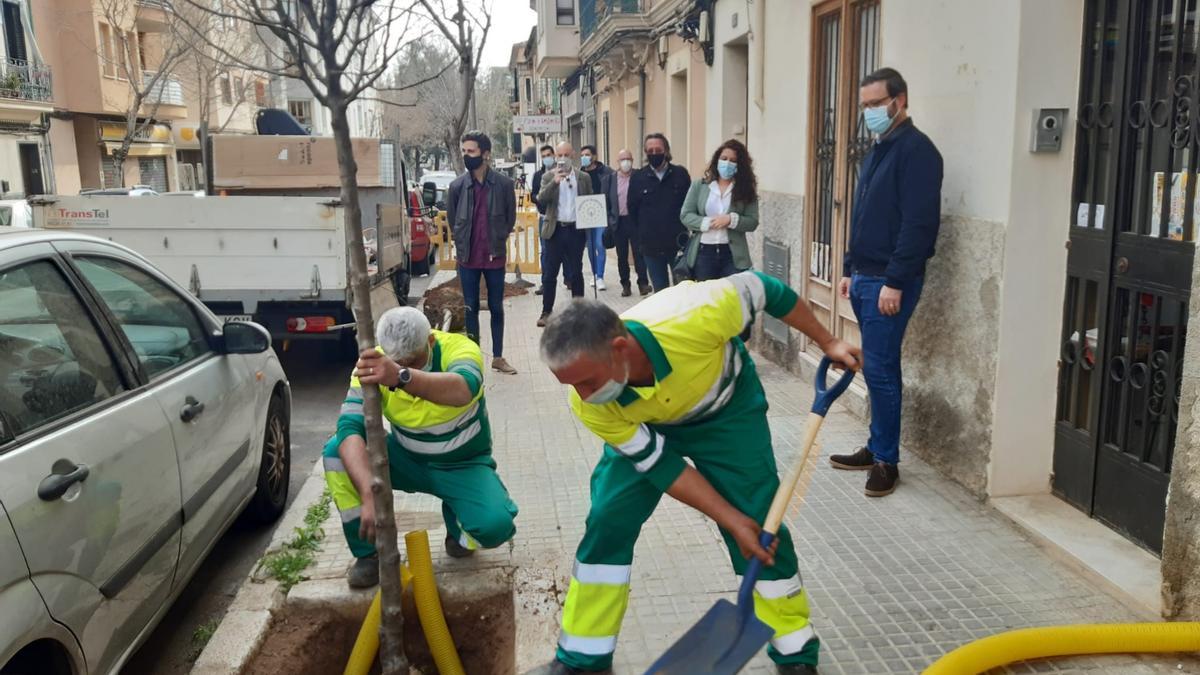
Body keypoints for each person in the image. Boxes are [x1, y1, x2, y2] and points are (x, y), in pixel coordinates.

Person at [530, 274, 860, 675]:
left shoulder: (694, 314)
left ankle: (795, 652)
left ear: (620, 349)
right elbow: (663, 468)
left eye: (586, 381)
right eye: (570, 385)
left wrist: (829, 342)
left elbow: (767, 290)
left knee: (758, 521)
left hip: (725, 412)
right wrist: (727, 518)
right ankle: (583, 659)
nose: (581, 395)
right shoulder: (593, 405)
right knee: (608, 518)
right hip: (647, 424)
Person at [322, 307, 519, 588]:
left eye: (413, 362)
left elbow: (463, 387)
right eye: (399, 363)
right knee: (335, 454)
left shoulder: (458, 348)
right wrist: (369, 493)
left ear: (431, 342)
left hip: (462, 465)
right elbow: (349, 429)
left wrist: (401, 376)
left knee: (495, 528)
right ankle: (370, 555)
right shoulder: (373, 364)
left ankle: (458, 524)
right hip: (406, 459)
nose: (407, 367)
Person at [828, 67, 943, 498]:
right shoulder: (878, 149)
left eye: (876, 103)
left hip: (888, 283)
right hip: (864, 277)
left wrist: (894, 281)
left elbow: (918, 225)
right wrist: (846, 267)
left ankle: (886, 461)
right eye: (865, 105)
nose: (870, 112)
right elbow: (863, 217)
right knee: (878, 369)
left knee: (881, 371)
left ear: (900, 100)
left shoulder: (918, 152)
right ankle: (876, 446)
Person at [446, 131, 519, 375]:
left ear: (485, 154)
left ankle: (498, 357)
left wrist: (496, 239)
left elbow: (510, 219)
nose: (467, 156)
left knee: (497, 307)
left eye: (471, 151)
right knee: (470, 307)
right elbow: (454, 221)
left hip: (494, 256)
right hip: (468, 258)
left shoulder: (504, 185)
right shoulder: (457, 187)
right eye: (464, 151)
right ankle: (473, 358)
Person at [680, 138, 760, 281]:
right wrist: (707, 222)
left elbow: (752, 222)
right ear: (717, 160)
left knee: (732, 297)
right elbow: (685, 215)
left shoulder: (746, 190)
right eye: (724, 158)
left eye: (732, 160)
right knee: (707, 298)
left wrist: (731, 220)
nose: (727, 163)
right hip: (704, 252)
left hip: (733, 255)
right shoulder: (700, 185)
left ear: (739, 165)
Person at [537, 142, 594, 327]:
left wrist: (592, 222)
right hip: (555, 230)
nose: (562, 159)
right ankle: (546, 311)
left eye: (566, 155)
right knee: (550, 273)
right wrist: (555, 182)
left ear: (573, 155)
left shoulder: (583, 177)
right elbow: (541, 199)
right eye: (559, 155)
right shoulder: (548, 176)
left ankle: (579, 312)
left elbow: (589, 201)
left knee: (576, 272)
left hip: (576, 230)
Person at [629, 133, 691, 292]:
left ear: (666, 151)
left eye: (658, 149)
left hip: (678, 245)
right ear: (645, 153)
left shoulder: (680, 174)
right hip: (651, 248)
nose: (654, 153)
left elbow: (689, 207)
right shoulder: (638, 178)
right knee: (660, 293)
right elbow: (633, 211)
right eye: (650, 150)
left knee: (683, 290)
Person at [607, 148, 650, 297]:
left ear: (632, 161)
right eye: (622, 159)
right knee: (622, 256)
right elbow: (606, 201)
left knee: (640, 254)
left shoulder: (639, 176)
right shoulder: (611, 179)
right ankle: (625, 284)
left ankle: (643, 283)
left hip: (635, 221)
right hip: (619, 222)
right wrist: (610, 220)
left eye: (628, 159)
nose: (626, 162)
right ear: (618, 162)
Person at [579, 145, 612, 291]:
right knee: (591, 246)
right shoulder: (579, 173)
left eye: (587, 154)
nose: (585, 157)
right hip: (585, 212)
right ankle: (593, 273)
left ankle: (600, 276)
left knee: (600, 244)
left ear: (594, 156)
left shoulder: (605, 172)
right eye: (583, 155)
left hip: (601, 212)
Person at [531, 144, 555, 296]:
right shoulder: (538, 175)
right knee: (545, 251)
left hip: (560, 218)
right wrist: (540, 200)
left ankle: (569, 278)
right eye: (544, 156)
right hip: (544, 218)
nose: (547, 158)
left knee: (565, 250)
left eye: (549, 155)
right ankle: (545, 283)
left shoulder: (562, 172)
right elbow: (533, 194)